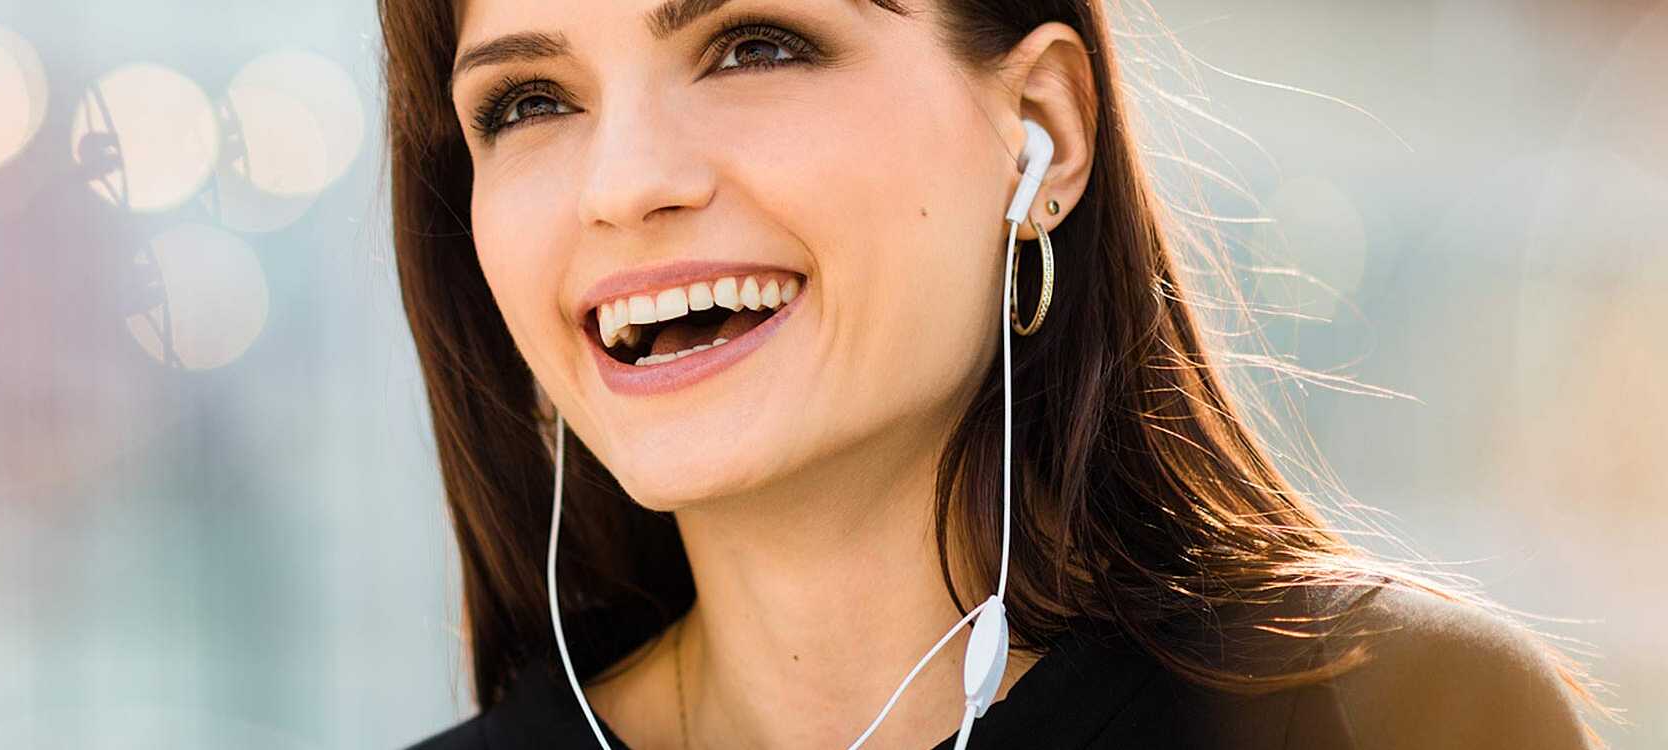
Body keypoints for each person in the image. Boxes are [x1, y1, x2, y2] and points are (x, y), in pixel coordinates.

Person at [376, 0, 1608, 747]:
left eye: (753, 43)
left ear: (1042, 133)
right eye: (529, 101)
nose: (623, 183)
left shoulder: (1388, 719)